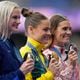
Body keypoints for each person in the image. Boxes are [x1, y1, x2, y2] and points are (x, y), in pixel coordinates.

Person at [20, 8, 57, 80]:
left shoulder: (42, 53)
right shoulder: (26, 53)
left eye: (49, 30)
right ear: (31, 29)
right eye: (45, 29)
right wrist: (50, 74)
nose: (49, 33)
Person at [0, 1, 34, 80]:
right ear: (3, 17)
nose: (19, 22)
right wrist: (21, 72)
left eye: (19, 17)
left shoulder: (9, 42)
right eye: (15, 17)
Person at [43, 14, 79, 80]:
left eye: (70, 29)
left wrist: (74, 64)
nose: (69, 32)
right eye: (64, 29)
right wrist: (71, 66)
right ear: (53, 30)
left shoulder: (69, 53)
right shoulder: (46, 54)